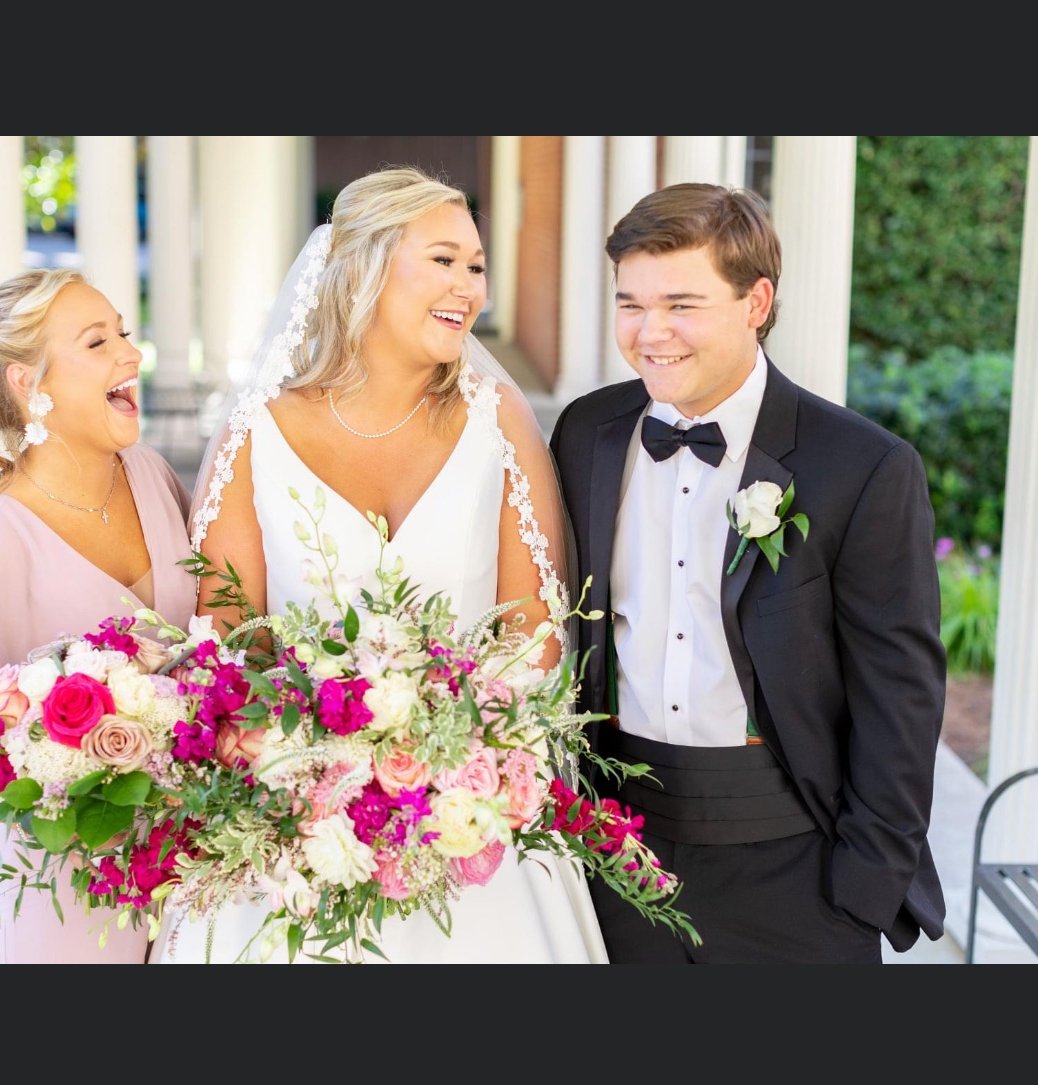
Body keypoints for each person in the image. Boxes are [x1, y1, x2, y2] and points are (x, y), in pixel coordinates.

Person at [151, 165, 607, 964]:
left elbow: (536, 633)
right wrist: (318, 770)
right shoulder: (260, 432)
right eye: (442, 259)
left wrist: (455, 763)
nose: (469, 286)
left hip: (474, 836)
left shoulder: (497, 420)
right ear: (363, 267)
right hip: (295, 839)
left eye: (475, 265)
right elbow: (228, 641)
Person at [550, 182, 948, 964]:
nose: (649, 332)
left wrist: (863, 887)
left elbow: (899, 694)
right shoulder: (585, 433)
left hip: (794, 866)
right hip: (617, 856)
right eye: (631, 303)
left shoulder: (862, 466)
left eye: (681, 305)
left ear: (755, 300)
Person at [0, 268, 199, 964]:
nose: (132, 353)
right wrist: (54, 809)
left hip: (189, 867)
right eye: (98, 343)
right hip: (64, 895)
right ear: (27, 384)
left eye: (124, 332)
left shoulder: (151, 475)